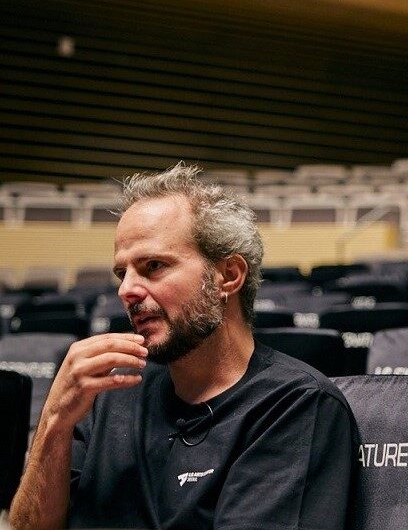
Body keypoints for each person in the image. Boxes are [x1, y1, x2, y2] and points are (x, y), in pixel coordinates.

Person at [10, 163, 357, 530]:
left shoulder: (295, 406)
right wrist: (53, 422)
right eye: (121, 273)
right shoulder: (107, 396)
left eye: (153, 266)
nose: (126, 290)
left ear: (228, 276)